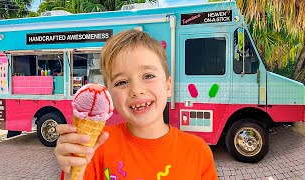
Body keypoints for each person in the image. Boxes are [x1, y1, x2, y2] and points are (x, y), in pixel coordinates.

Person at [54, 29, 218, 180]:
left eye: (148, 76)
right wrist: (73, 174)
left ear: (168, 86)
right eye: (121, 82)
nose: (136, 90)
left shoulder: (198, 152)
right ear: (110, 95)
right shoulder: (93, 148)